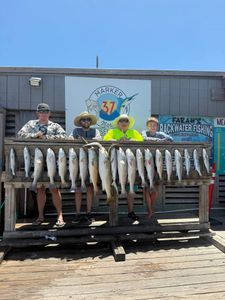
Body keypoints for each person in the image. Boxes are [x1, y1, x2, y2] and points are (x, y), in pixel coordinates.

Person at [17, 103, 67, 227]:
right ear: (37, 113)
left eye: (46, 112)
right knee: (40, 189)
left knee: (55, 189)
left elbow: (64, 136)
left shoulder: (55, 126)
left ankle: (60, 216)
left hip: (52, 163)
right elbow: (20, 134)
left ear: (50, 113)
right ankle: (40, 216)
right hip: (36, 162)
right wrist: (35, 135)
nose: (43, 114)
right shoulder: (31, 124)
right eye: (41, 112)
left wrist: (46, 137)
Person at [103, 114, 143, 221]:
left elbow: (141, 140)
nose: (124, 122)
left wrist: (132, 141)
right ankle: (114, 214)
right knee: (114, 188)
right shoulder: (112, 132)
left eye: (126, 121)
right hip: (115, 166)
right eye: (122, 121)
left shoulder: (133, 132)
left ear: (129, 123)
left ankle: (131, 211)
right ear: (118, 123)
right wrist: (117, 140)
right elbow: (105, 139)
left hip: (131, 165)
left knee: (131, 189)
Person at [71, 111, 102, 224]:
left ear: (91, 121)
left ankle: (89, 213)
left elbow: (99, 139)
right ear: (80, 122)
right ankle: (77, 214)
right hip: (79, 163)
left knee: (90, 189)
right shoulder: (75, 131)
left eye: (88, 119)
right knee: (78, 189)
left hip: (92, 163)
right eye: (84, 120)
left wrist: (92, 141)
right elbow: (69, 139)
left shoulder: (95, 131)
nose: (86, 121)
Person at [142, 116, 173, 219]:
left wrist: (161, 139)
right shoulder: (144, 132)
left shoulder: (161, 134)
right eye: (151, 125)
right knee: (147, 188)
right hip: (147, 163)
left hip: (158, 164)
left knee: (156, 188)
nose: (153, 127)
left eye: (154, 125)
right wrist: (158, 141)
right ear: (147, 126)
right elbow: (144, 139)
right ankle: (150, 210)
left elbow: (170, 139)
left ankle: (151, 208)